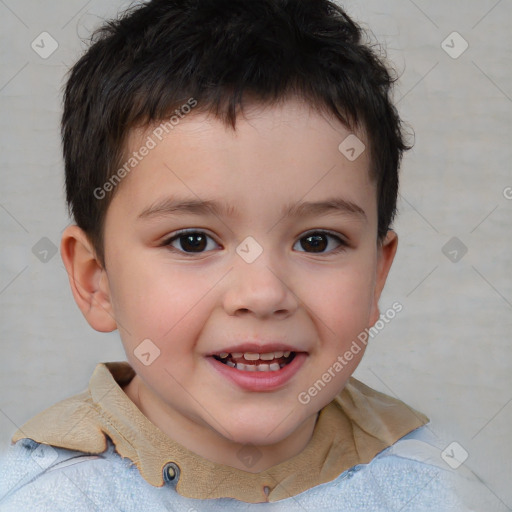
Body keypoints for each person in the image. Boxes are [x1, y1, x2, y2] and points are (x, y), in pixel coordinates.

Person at [0, 0, 483, 510]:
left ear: (376, 277)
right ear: (96, 279)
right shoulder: (42, 499)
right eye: (193, 241)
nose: (263, 294)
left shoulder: (436, 488)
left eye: (317, 241)